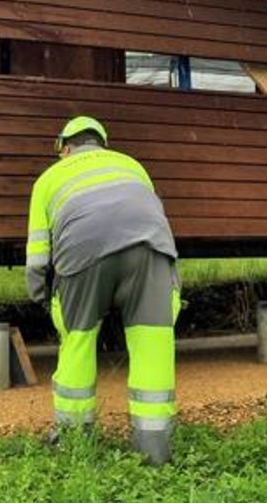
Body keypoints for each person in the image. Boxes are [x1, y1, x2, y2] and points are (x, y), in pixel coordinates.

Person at [25, 116, 180, 465]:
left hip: (82, 253)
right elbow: (154, 216)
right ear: (101, 143)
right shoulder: (132, 165)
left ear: (65, 148)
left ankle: (74, 442)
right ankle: (154, 449)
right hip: (152, 252)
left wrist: (41, 296)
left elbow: (37, 255)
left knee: (78, 341)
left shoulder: (48, 178)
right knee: (153, 345)